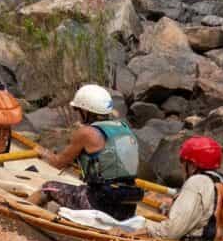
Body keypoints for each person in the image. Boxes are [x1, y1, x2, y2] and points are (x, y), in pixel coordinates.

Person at [29, 85, 143, 221]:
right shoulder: (125, 129)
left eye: (78, 110)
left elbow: (58, 163)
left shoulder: (86, 132)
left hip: (99, 203)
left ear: (86, 111)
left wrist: (44, 153)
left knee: (48, 188)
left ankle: (23, 219)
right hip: (127, 206)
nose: (78, 114)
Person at [143, 136, 223, 241]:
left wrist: (143, 225)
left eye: (183, 162)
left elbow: (169, 232)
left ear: (192, 165)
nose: (181, 167)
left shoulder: (196, 183)